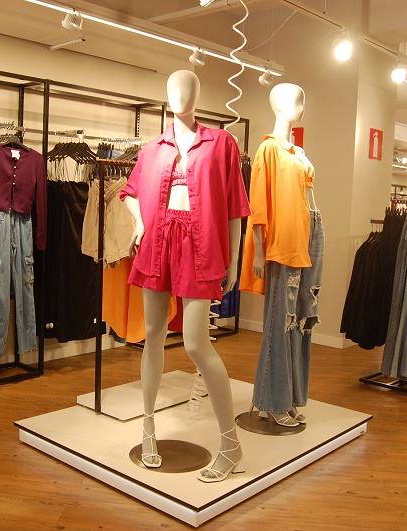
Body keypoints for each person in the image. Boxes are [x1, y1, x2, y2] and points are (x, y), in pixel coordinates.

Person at [120, 70, 251, 482]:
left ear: (199, 93)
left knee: (196, 343)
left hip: (201, 245)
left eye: (189, 87)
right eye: (174, 88)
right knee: (153, 336)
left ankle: (230, 444)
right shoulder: (151, 149)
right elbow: (129, 192)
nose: (181, 94)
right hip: (158, 243)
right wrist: (140, 222)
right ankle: (148, 429)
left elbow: (235, 205)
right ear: (165, 95)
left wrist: (233, 259)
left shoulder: (222, 143)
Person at [239, 83, 324, 428]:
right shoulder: (269, 150)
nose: (301, 106)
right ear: (278, 105)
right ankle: (272, 400)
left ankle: (288, 398)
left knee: (302, 319)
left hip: (310, 232)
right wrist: (259, 251)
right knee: (280, 321)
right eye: (296, 100)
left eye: (303, 99)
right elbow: (258, 204)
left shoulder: (296, 150)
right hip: (284, 241)